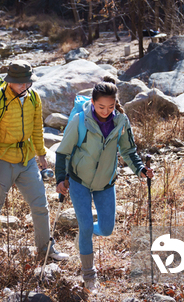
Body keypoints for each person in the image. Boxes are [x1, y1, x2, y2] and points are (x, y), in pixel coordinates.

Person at [55, 80, 154, 290]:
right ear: (92, 102)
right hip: (79, 181)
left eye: (110, 107)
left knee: (107, 229)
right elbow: (63, 151)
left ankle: (88, 234)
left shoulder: (121, 121)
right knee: (86, 225)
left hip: (106, 182)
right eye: (101, 107)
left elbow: (128, 151)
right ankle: (89, 276)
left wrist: (141, 170)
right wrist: (60, 179)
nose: (106, 111)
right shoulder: (80, 120)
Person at [0, 60, 69, 261]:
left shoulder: (33, 98)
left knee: (40, 204)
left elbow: (37, 128)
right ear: (10, 81)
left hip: (26, 159)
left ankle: (45, 249)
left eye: (26, 82)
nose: (24, 86)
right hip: (1, 159)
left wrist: (41, 154)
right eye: (19, 83)